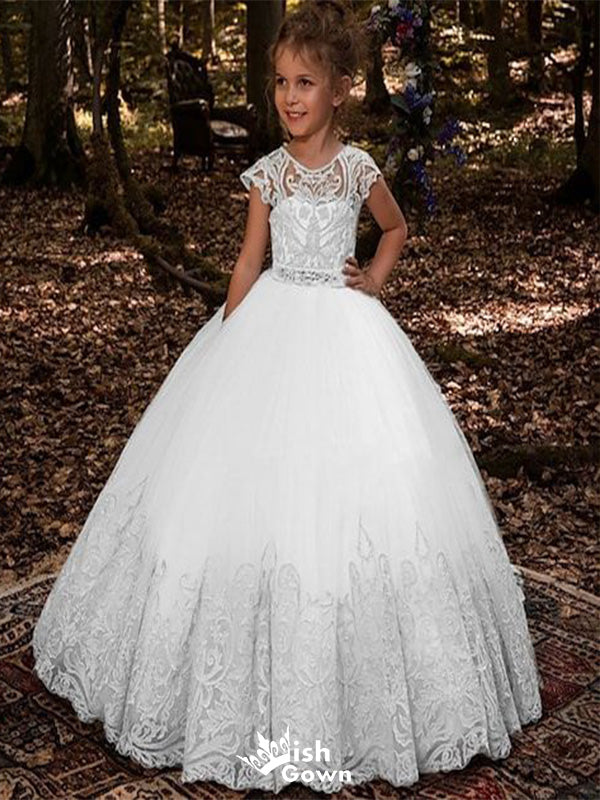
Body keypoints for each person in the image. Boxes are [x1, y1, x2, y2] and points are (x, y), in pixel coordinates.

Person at [32, 0, 543, 794]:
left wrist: (373, 279)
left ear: (340, 89)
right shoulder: (268, 171)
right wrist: (228, 337)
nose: (289, 97)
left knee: (356, 495)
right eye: (279, 82)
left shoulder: (358, 168)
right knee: (238, 488)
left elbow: (396, 229)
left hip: (345, 334)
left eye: (305, 82)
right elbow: (248, 260)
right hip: (267, 326)